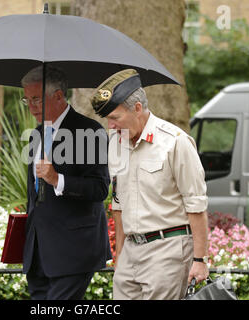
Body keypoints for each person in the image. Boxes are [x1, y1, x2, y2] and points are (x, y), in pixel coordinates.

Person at [90, 69, 209, 300]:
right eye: (108, 120)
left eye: (115, 118)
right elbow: (119, 204)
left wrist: (200, 260)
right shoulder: (116, 143)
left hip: (167, 251)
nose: (111, 126)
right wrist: (120, 256)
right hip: (130, 254)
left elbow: (196, 205)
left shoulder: (175, 142)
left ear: (137, 109)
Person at [21, 65, 112, 300]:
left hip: (74, 249)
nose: (31, 107)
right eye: (26, 100)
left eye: (36, 100)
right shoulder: (37, 134)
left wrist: (56, 179)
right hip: (38, 252)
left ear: (59, 96)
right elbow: (34, 194)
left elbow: (100, 188)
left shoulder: (89, 131)